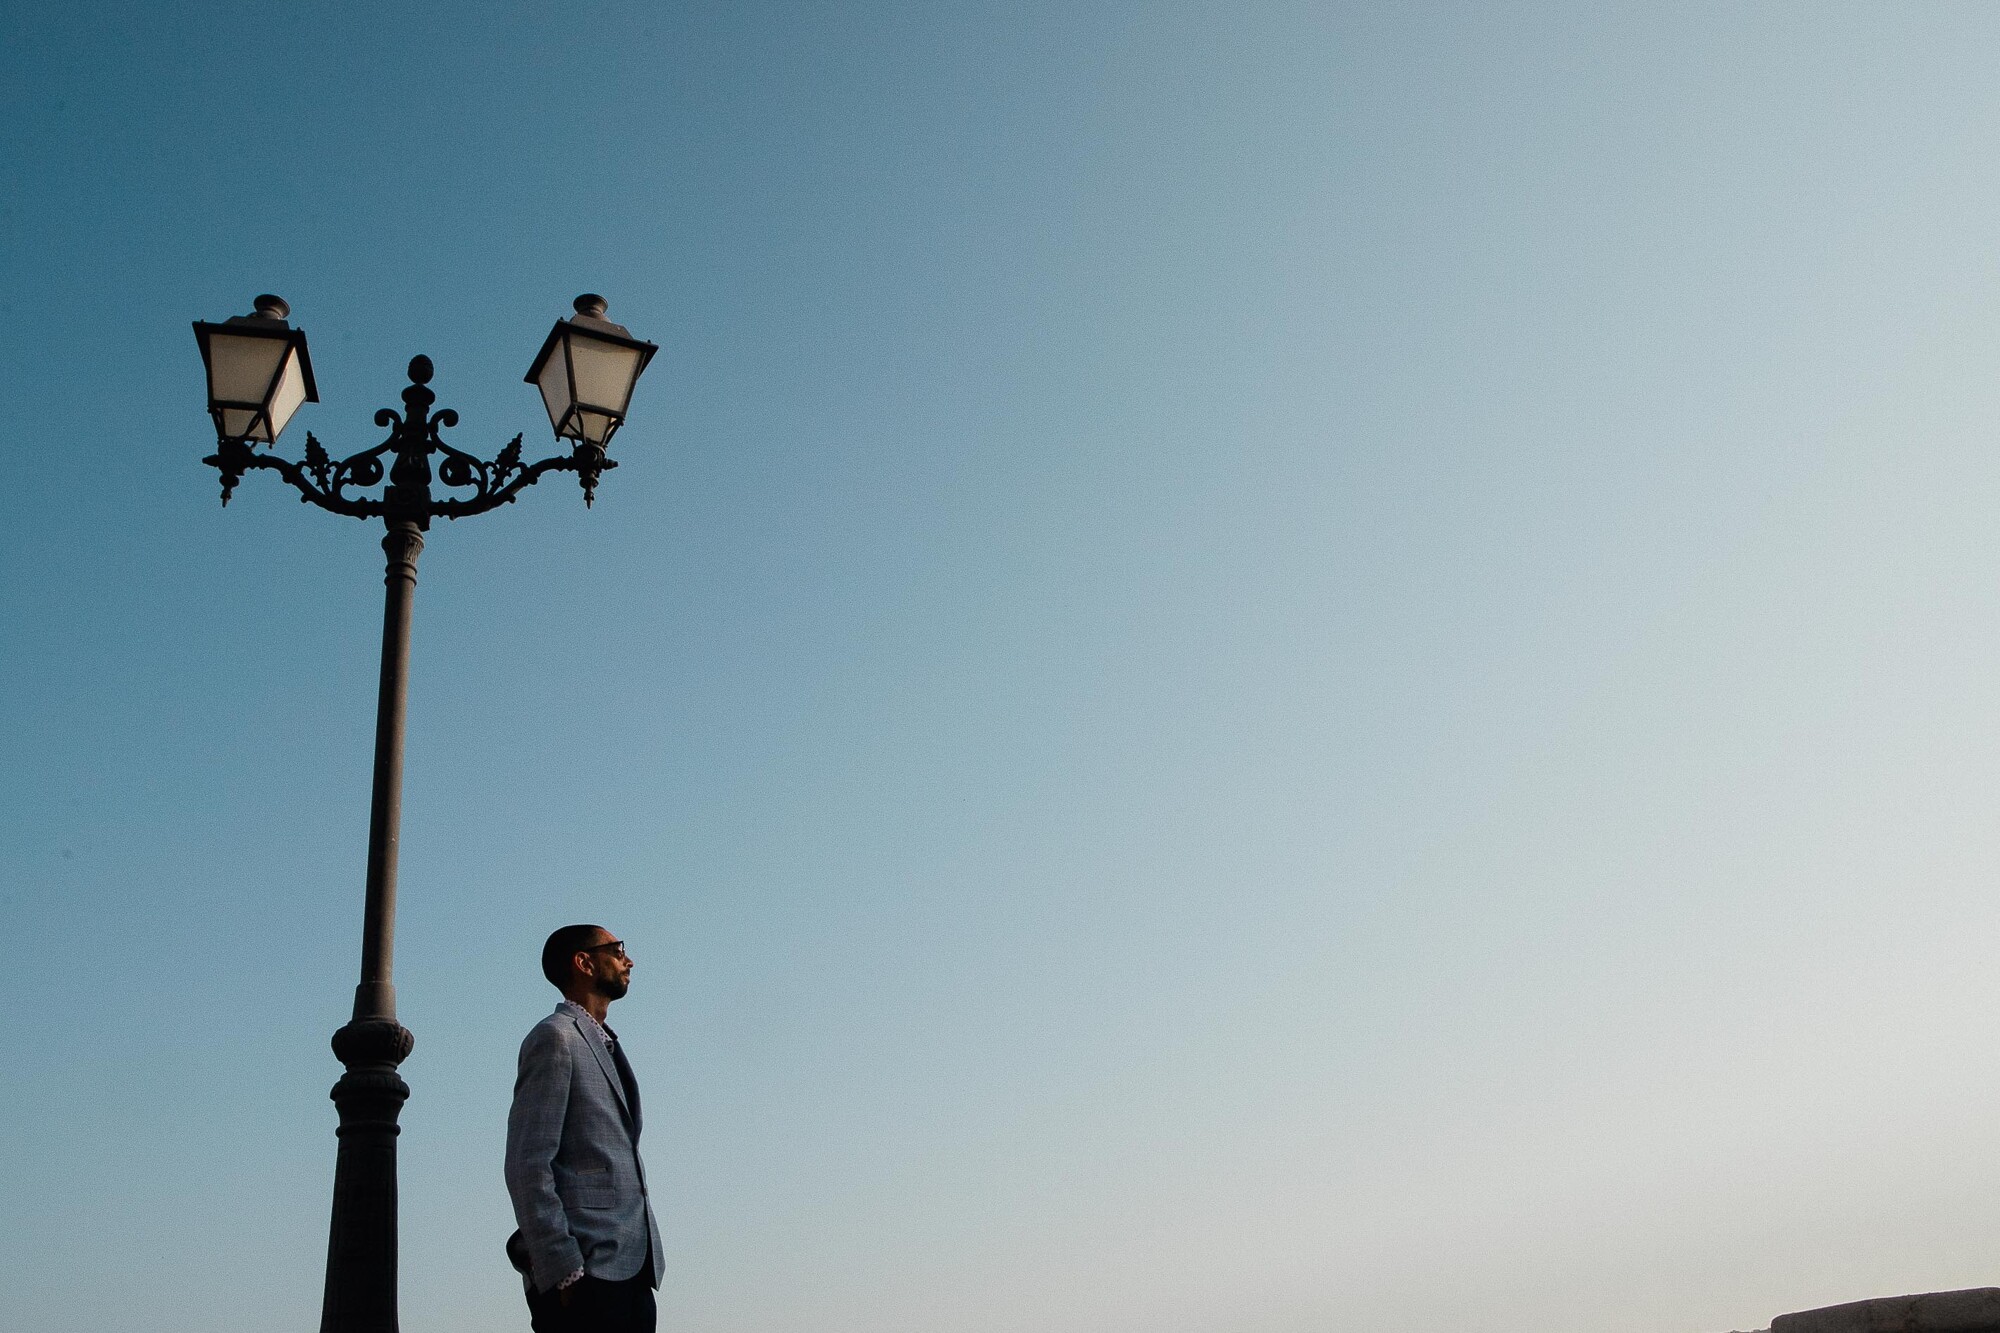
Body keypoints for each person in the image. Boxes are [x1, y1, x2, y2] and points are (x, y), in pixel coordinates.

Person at [505, 924, 664, 1332]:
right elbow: (527, 1163)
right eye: (617, 950)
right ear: (583, 962)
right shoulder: (554, 1038)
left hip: (633, 1269)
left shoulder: (607, 1045)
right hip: (584, 1273)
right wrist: (561, 1264)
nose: (628, 960)